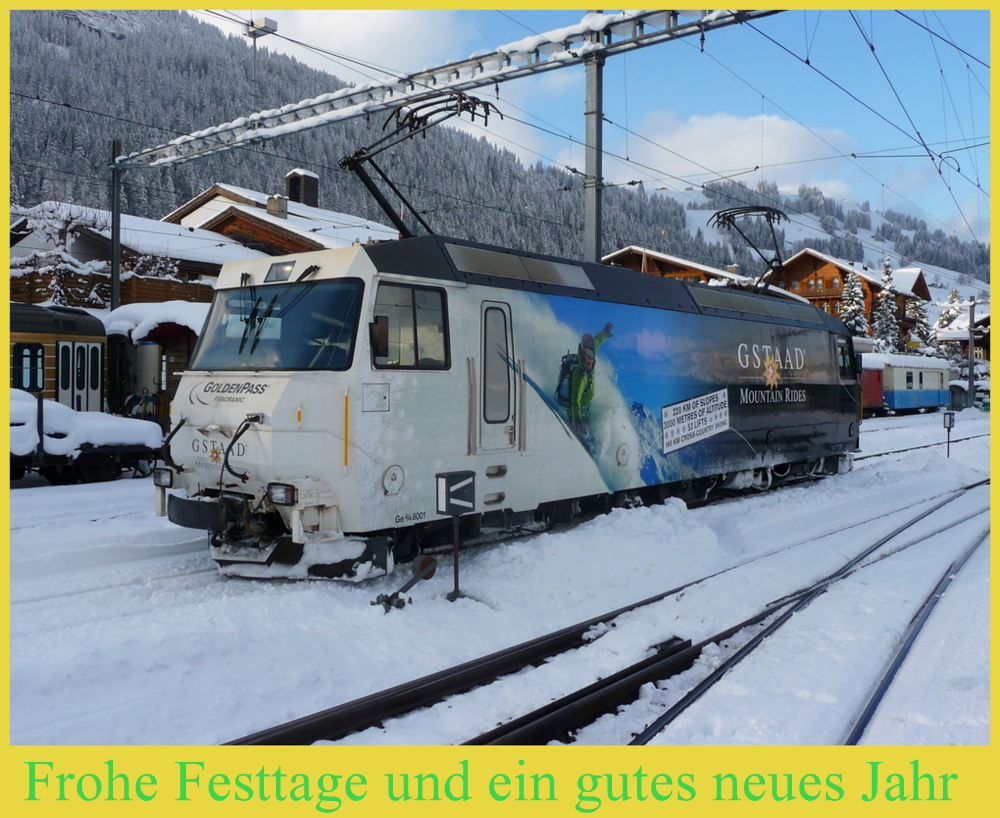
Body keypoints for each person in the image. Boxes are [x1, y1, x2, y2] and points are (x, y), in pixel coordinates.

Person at [568, 322, 613, 439]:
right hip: (577, 414)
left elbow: (597, 341)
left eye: (592, 353)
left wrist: (604, 333)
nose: (590, 356)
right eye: (587, 353)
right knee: (589, 438)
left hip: (586, 410)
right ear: (582, 352)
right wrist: (577, 421)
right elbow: (575, 399)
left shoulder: (591, 354)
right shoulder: (579, 374)